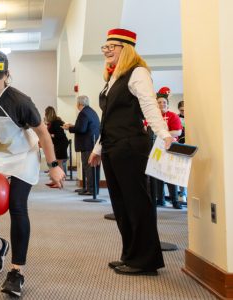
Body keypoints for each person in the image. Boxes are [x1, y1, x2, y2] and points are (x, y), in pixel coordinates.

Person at [0, 49, 65, 297]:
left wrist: (53, 166)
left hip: (21, 155)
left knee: (17, 206)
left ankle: (16, 272)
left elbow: (42, 135)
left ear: (7, 75)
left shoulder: (20, 101)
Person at [88, 29, 174, 276]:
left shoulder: (138, 72)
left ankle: (145, 261)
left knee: (137, 204)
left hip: (130, 146)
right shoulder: (114, 77)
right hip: (113, 146)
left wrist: (164, 134)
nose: (106, 51)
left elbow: (149, 105)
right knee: (121, 205)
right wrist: (97, 149)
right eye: (105, 47)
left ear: (126, 48)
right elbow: (109, 118)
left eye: (111, 46)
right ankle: (130, 255)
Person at [62, 95, 101, 195]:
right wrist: (73, 126)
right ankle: (89, 188)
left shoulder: (83, 113)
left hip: (87, 144)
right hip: (92, 143)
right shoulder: (91, 111)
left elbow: (81, 129)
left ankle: (91, 190)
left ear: (79, 104)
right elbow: (84, 126)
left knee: (89, 167)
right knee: (91, 168)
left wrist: (69, 128)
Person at [155, 89, 182, 209]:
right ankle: (160, 199)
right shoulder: (153, 117)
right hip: (156, 149)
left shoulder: (173, 116)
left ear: (167, 103)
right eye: (159, 102)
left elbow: (178, 132)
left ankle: (175, 200)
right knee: (158, 174)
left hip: (170, 147)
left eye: (164, 102)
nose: (162, 104)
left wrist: (162, 134)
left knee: (170, 175)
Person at [43, 106, 68, 188]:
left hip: (61, 144)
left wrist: (51, 135)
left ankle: (59, 182)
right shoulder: (53, 122)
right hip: (58, 144)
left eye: (46, 113)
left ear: (48, 113)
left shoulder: (56, 122)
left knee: (58, 163)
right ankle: (54, 180)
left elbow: (59, 135)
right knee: (55, 163)